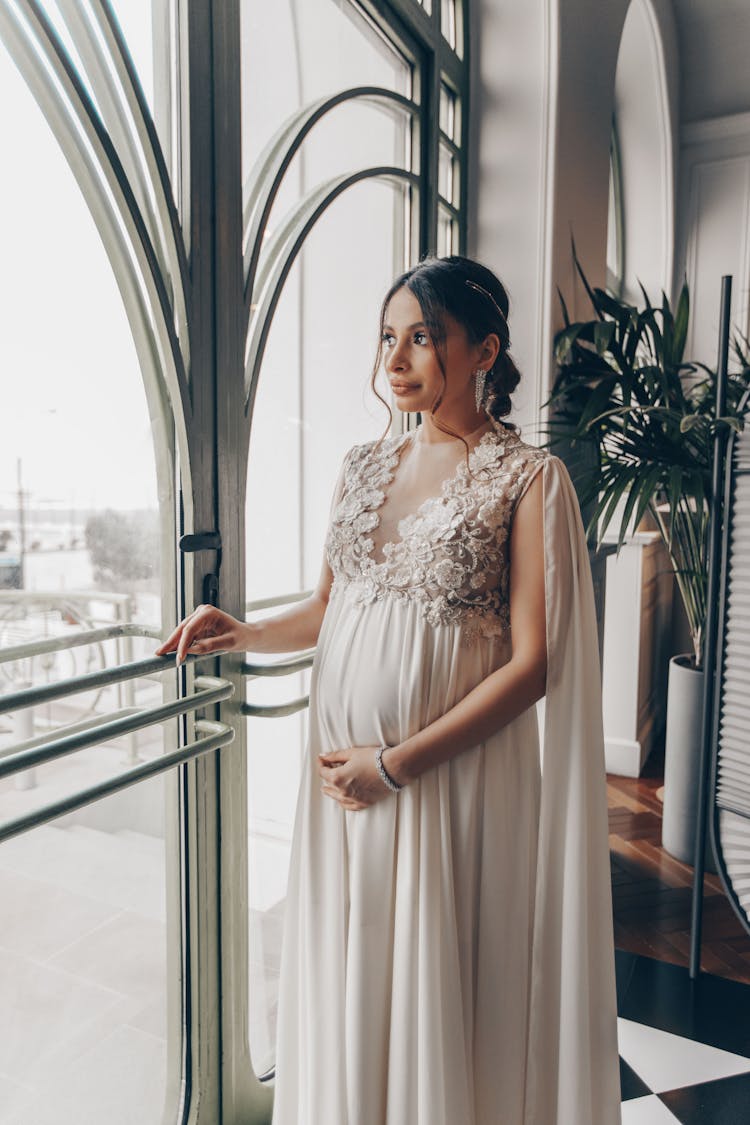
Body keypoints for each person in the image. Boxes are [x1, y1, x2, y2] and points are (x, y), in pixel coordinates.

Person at [156, 255, 622, 1125]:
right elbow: (333, 606)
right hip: (344, 790)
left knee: (443, 981)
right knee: (356, 972)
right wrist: (244, 630)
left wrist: (397, 764)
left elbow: (533, 666)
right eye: (387, 337)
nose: (396, 358)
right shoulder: (360, 465)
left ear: (484, 349)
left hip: (449, 786)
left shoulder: (527, 479)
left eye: (421, 336)